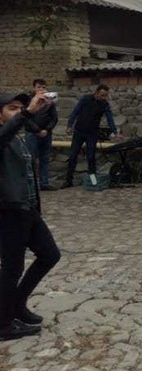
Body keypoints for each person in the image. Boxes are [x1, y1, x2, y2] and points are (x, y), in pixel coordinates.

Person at [0, 91, 62, 341]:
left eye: (19, 108)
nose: (18, 112)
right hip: (8, 209)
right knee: (12, 268)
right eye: (12, 108)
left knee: (50, 255)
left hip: (28, 209)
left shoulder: (17, 137)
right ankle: (3, 324)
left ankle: (16, 304)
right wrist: (26, 112)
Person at [62, 84, 119, 188]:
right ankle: (68, 180)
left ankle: (92, 181)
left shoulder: (104, 104)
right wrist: (70, 125)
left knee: (91, 157)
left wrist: (115, 132)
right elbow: (75, 112)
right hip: (79, 131)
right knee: (73, 156)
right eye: (102, 95)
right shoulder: (86, 99)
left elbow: (110, 118)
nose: (103, 97)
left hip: (92, 133)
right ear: (96, 93)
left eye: (105, 95)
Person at [24, 79, 59, 190]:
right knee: (31, 159)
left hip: (46, 134)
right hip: (32, 134)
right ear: (34, 88)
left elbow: (54, 118)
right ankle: (31, 184)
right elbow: (26, 118)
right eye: (39, 87)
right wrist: (38, 130)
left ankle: (44, 182)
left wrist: (47, 130)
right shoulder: (29, 101)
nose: (42, 89)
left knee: (45, 159)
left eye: (43, 87)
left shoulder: (49, 102)